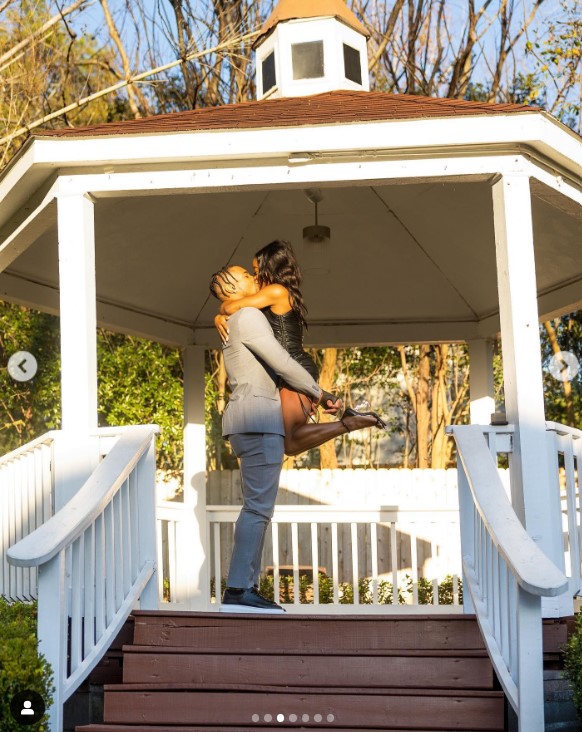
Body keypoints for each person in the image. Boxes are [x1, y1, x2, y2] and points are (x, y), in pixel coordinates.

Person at [209, 265, 380, 613]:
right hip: (258, 420)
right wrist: (324, 394)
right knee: (257, 508)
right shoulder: (247, 317)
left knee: (257, 508)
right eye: (245, 275)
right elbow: (283, 362)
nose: (254, 278)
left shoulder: (237, 317)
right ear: (231, 287)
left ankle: (245, 588)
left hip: (246, 420)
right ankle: (239, 590)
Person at [214, 240, 386, 457]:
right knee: (290, 441)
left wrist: (219, 315)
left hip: (292, 366)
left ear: (271, 268)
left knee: (291, 442)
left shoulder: (276, 291)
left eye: (257, 271)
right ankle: (348, 421)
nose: (255, 277)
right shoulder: (271, 295)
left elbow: (231, 304)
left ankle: (349, 423)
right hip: (288, 370)